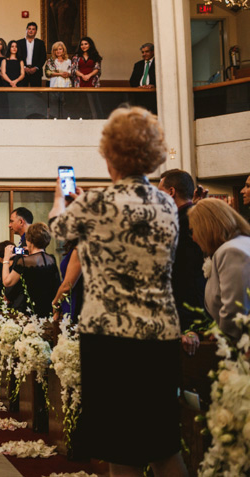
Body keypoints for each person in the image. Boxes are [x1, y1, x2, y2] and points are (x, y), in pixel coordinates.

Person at [48, 106, 186, 476]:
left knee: (120, 447)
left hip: (110, 336)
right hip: (161, 334)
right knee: (163, 443)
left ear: (111, 156)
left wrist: (61, 198)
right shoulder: (166, 203)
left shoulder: (97, 202)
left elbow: (58, 230)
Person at [158, 169, 207, 354]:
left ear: (171, 192)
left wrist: (189, 323)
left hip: (186, 312)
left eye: (159, 193)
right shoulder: (196, 215)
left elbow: (187, 273)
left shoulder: (179, 223)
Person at [189, 198, 250, 340]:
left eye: (193, 230)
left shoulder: (230, 251)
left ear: (207, 227)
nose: (193, 238)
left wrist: (223, 334)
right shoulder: (241, 242)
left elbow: (236, 306)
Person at [1, 223, 60, 316]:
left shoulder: (24, 261)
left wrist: (6, 259)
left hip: (30, 308)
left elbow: (7, 282)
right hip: (47, 307)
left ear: (29, 240)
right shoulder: (51, 259)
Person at [51, 239, 83, 322]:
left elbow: (67, 286)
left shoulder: (80, 249)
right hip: (69, 299)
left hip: (77, 301)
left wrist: (55, 302)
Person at [16, 22, 47, 87]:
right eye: (29, 29)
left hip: (36, 72)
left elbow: (43, 57)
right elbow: (17, 56)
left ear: (36, 31)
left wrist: (36, 68)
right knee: (22, 93)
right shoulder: (19, 42)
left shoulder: (40, 43)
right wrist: (24, 67)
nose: (31, 31)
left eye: (33, 29)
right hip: (22, 71)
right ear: (26, 30)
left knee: (36, 94)